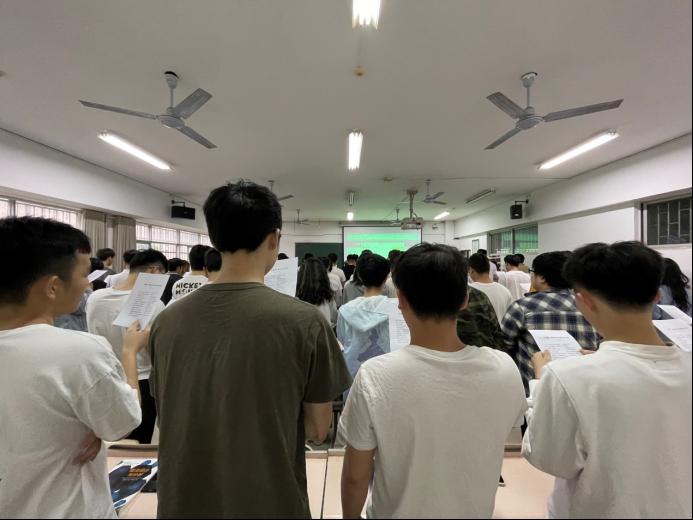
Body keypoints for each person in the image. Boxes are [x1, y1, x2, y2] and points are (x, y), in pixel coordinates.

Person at [148, 181, 351, 518]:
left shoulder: (166, 321)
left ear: (214, 239)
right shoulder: (304, 321)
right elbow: (318, 430)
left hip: (182, 502)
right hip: (270, 501)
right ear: (274, 238)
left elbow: (169, 406)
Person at [338, 243, 526, 519]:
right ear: (464, 299)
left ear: (401, 299)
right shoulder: (504, 369)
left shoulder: (374, 375)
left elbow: (356, 476)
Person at [523, 241, 692, 518]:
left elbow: (549, 458)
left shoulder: (568, 376)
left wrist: (540, 382)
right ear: (656, 296)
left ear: (583, 300)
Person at [0, 217, 146, 518]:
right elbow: (121, 423)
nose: (88, 283)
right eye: (83, 274)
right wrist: (129, 352)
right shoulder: (79, 352)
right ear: (53, 286)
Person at [86, 249, 167, 444]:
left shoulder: (95, 298)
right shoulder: (154, 305)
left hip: (104, 376)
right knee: (138, 442)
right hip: (141, 380)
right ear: (154, 271)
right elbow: (157, 350)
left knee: (111, 440)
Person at [501, 251, 599, 393]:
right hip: (582, 389)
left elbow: (504, 344)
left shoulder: (522, 307)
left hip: (534, 390)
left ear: (541, 278)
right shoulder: (589, 307)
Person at [337, 254, 391, 378]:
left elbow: (343, 341)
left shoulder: (345, 310)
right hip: (385, 373)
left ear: (360, 276)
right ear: (386, 277)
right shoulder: (394, 309)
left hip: (353, 372)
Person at [55, 257, 106, 331]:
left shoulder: (59, 280)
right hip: (73, 328)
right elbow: (83, 306)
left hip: (64, 326)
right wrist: (88, 289)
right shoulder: (73, 283)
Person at [457, 285, 510, 356]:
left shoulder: (477, 295)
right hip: (484, 355)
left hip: (454, 356)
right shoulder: (479, 295)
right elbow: (496, 333)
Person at [468, 252, 513, 323]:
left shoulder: (468, 291)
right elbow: (510, 317)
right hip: (502, 329)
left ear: (471, 270)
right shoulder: (505, 291)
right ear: (488, 269)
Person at [297, 257, 338, 326]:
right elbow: (334, 318)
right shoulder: (327, 297)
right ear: (323, 276)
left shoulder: (295, 299)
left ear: (301, 276)